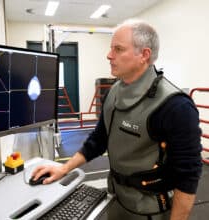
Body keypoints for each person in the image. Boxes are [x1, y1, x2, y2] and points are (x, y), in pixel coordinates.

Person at [31, 19, 202, 220]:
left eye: (118, 49)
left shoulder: (175, 106)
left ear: (144, 55)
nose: (109, 55)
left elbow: (188, 176)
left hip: (150, 210)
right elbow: (98, 140)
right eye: (111, 48)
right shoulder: (114, 92)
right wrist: (63, 168)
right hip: (115, 199)